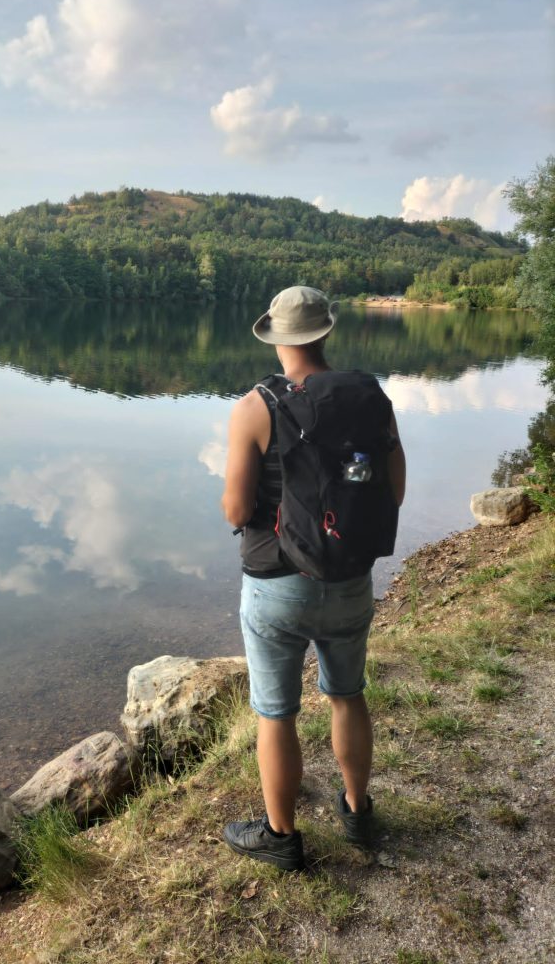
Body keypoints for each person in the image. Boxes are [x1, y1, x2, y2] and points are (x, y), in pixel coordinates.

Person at [220, 285, 406, 871]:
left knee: (276, 713)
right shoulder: (371, 396)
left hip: (276, 583)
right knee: (347, 696)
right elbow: (394, 491)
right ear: (326, 333)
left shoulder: (256, 406)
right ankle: (357, 812)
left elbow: (234, 509)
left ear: (276, 339)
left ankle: (281, 836)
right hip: (350, 578)